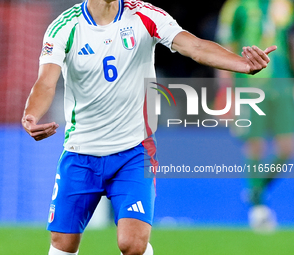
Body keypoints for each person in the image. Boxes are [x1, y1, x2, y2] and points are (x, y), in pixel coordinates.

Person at [22, 0, 276, 254]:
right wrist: (31, 115)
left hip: (133, 152)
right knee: (63, 244)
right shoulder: (64, 27)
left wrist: (242, 65)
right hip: (80, 152)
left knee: (132, 245)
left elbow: (195, 46)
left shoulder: (144, 15)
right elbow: (45, 81)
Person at [217, 0, 294, 232]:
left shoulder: (285, 3)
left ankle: (255, 191)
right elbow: (225, 49)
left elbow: (288, 42)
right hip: (249, 85)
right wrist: (225, 91)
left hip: (281, 84)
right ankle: (259, 209)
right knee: (255, 146)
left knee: (285, 149)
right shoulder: (235, 7)